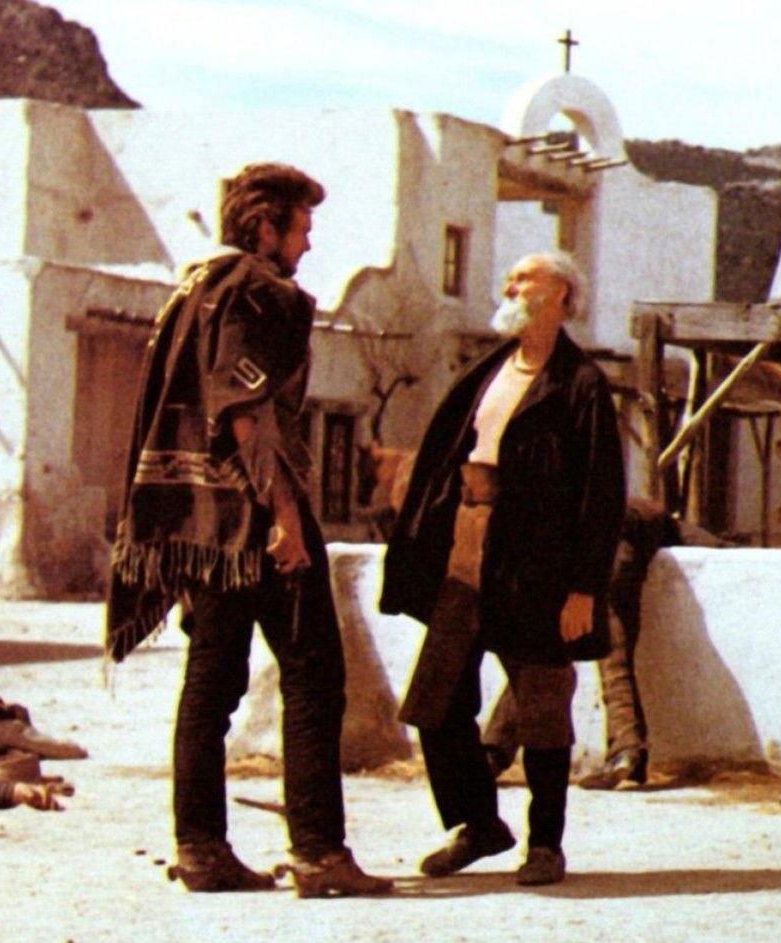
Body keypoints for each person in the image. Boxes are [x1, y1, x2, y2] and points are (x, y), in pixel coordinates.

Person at [104, 162, 391, 898]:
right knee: (313, 677)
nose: (308, 243)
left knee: (210, 682)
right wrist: (286, 518)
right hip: (253, 522)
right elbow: (245, 409)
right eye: (301, 227)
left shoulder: (194, 289)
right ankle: (318, 853)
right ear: (265, 226)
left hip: (199, 526)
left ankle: (201, 848)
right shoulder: (259, 292)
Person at [380, 251, 626, 886]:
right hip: (468, 553)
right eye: (511, 277)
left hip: (538, 564)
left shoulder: (580, 384)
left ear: (562, 294)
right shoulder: (488, 370)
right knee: (435, 701)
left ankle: (545, 844)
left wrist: (583, 589)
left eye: (525, 278)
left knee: (542, 707)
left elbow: (600, 494)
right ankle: (479, 824)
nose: (510, 285)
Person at [482, 498, 721, 790]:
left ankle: (494, 751)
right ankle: (625, 750)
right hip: (594, 551)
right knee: (562, 656)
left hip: (596, 552)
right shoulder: (623, 509)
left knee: (564, 654)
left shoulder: (574, 509)